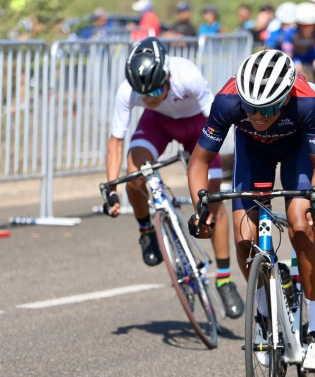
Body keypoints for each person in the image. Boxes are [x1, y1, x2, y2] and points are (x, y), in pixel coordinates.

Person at [187, 50, 315, 370]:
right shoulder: (227, 101)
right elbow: (199, 161)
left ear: (285, 98)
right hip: (253, 152)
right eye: (250, 107)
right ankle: (264, 316)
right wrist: (202, 207)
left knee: (300, 226)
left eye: (267, 109)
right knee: (244, 239)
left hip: (297, 150)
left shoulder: (306, 102)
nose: (257, 116)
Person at [104, 38, 244, 318]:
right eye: (144, 94)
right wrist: (111, 189)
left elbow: (216, 119)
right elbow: (116, 140)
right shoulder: (128, 91)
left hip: (198, 125)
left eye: (156, 90)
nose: (150, 98)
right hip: (157, 123)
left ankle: (224, 279)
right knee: (134, 175)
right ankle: (146, 230)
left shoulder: (188, 76)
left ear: (167, 76)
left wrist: (231, 160)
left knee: (213, 200)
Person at [282, 2, 315, 82]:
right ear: (298, 24)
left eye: (312, 25)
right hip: (296, 57)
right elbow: (288, 54)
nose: (309, 29)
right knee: (299, 70)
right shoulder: (290, 33)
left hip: (311, 56)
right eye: (305, 26)